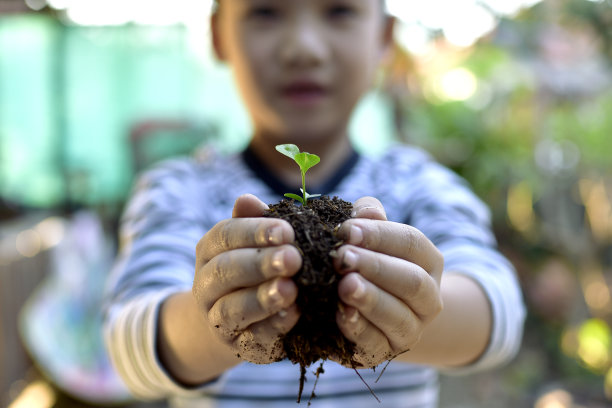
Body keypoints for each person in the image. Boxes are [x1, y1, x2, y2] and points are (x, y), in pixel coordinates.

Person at [103, 0, 526, 407]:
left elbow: (498, 314)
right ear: (217, 34)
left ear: (384, 36)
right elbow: (127, 348)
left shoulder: (420, 185)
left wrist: (410, 305)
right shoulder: (179, 191)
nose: (303, 47)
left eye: (339, 10)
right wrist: (215, 319)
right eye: (265, 11)